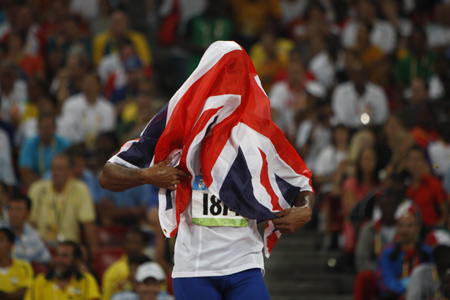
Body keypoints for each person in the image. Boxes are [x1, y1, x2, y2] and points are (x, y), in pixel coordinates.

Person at [99, 41, 315, 300]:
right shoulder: (174, 121)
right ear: (206, 74)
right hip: (195, 267)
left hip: (244, 263)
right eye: (223, 73)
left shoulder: (258, 130)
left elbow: (300, 181)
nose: (228, 84)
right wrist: (146, 175)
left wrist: (306, 209)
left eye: (236, 74)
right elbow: (107, 175)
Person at [28, 154, 98, 254]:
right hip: (41, 246)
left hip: (69, 247)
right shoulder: (37, 189)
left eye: (60, 169)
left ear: (70, 171)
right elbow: (30, 222)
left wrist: (94, 254)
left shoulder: (81, 190)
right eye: (53, 168)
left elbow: (88, 224)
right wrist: (35, 241)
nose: (55, 173)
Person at [376, 202, 433, 300]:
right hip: (396, 296)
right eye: (401, 226)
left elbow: (432, 279)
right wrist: (405, 292)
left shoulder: (427, 252)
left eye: (409, 226)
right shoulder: (388, 252)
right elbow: (386, 279)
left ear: (417, 228)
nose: (404, 230)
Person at [25, 241, 101, 300]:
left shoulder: (86, 280)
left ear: (76, 261)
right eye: (57, 255)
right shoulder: (40, 281)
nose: (59, 260)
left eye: (65, 256)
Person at [19, 111, 70, 191]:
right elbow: (25, 173)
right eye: (43, 127)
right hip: (37, 185)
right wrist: (45, 184)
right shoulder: (29, 144)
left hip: (60, 184)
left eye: (49, 126)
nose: (46, 130)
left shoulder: (64, 144)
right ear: (38, 128)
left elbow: (69, 170)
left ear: (55, 128)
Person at [0, 192, 51, 264]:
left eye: (18, 209)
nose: (13, 214)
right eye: (11, 209)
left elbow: (47, 260)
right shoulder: (1, 230)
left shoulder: (34, 235)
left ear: (27, 213)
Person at [102, 228, 148, 300]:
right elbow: (107, 296)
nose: (133, 246)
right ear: (124, 243)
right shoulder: (113, 270)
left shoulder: (151, 267)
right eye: (130, 242)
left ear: (144, 244)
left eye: (137, 242)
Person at [0, 227, 34, 300]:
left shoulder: (24, 267)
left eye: (1, 239)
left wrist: (2, 294)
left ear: (11, 244)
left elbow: (24, 293)